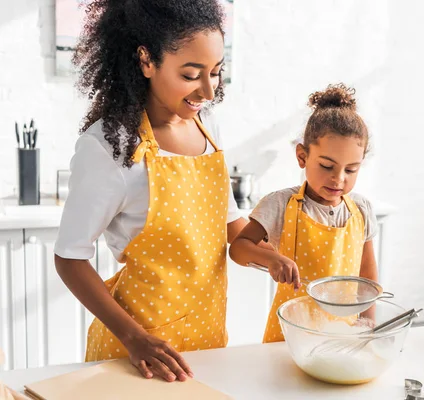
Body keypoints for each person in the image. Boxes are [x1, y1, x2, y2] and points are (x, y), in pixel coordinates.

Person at [54, 0, 266, 382]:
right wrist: (135, 338)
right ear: (146, 61)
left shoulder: (205, 128)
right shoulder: (109, 147)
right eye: (190, 74)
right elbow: (69, 259)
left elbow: (230, 224)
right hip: (136, 357)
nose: (208, 90)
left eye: (216, 72)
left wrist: (272, 252)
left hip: (207, 346)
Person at [229, 83, 379, 343]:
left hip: (342, 337)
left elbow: (367, 278)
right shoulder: (280, 204)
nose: (338, 179)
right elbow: (239, 248)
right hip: (288, 337)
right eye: (326, 166)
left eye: (351, 170)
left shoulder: (362, 210)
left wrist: (368, 329)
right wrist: (272, 260)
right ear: (302, 156)